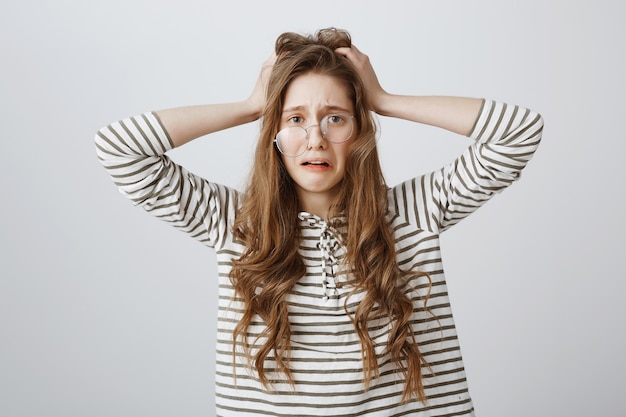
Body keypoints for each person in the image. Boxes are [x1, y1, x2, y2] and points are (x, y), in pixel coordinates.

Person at [96, 28, 543, 416]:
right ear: (273, 135)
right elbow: (119, 149)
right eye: (295, 119)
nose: (315, 138)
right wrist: (253, 105)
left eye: (335, 118)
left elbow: (519, 132)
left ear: (359, 129)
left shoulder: (412, 212)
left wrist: (383, 100)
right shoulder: (234, 223)